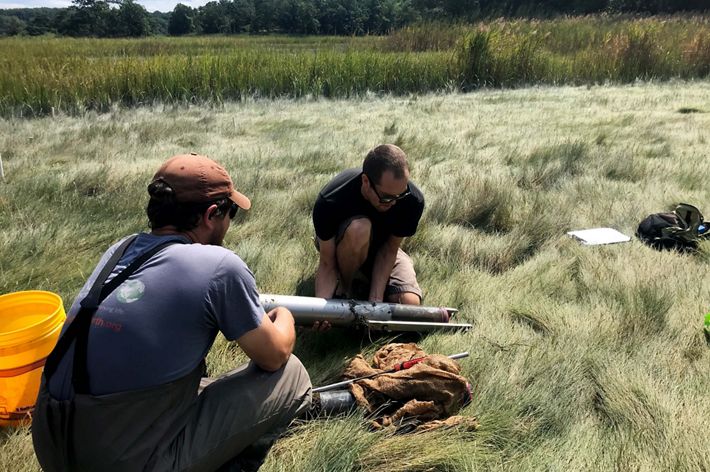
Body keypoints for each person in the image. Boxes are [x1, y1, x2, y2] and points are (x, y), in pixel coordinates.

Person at [32, 153, 311, 472]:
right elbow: (274, 356)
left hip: (52, 443)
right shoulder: (219, 266)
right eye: (230, 212)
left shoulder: (120, 249)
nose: (230, 222)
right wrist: (284, 316)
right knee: (292, 376)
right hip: (119, 460)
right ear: (210, 215)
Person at [312, 144, 425, 308]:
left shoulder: (413, 201)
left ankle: (366, 287)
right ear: (366, 181)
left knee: (409, 303)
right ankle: (345, 289)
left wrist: (375, 303)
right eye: (386, 198)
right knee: (360, 229)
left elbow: (389, 250)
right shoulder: (331, 200)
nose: (394, 203)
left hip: (382, 247)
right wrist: (321, 311)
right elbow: (327, 263)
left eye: (400, 195)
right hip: (341, 243)